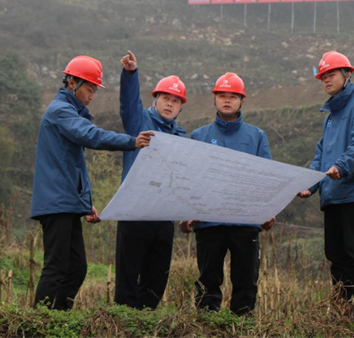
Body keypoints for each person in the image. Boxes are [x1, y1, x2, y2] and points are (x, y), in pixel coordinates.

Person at [31, 55, 154, 310]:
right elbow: (91, 135)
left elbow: (73, 166)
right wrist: (131, 142)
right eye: (89, 88)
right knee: (56, 266)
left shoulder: (68, 112)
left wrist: (85, 203)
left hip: (66, 202)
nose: (91, 95)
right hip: (56, 202)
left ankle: (58, 318)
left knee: (76, 268)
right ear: (72, 83)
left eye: (95, 90)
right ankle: (38, 321)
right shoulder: (60, 111)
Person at [298, 51, 354, 319]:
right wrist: (311, 184)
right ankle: (341, 312)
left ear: (347, 75)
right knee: (335, 255)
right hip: (333, 194)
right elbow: (321, 154)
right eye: (322, 76)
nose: (326, 80)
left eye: (331, 74)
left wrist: (342, 166)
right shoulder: (330, 116)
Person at [179, 72, 275, 316]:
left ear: (242, 101)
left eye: (233, 96)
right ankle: (206, 325)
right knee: (208, 280)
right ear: (215, 99)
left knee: (246, 280)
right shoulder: (199, 136)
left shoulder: (256, 136)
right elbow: (190, 179)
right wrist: (186, 214)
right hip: (208, 222)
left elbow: (267, 178)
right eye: (222, 95)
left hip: (246, 222)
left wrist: (268, 210)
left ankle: (242, 326)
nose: (227, 100)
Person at [115, 50, 188, 310]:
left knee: (156, 280)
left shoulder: (181, 135)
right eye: (165, 98)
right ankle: (123, 323)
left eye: (175, 101)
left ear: (181, 107)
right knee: (128, 278)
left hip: (164, 216)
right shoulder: (140, 120)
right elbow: (128, 103)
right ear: (155, 99)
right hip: (134, 212)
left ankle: (146, 322)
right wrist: (130, 74)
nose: (169, 104)